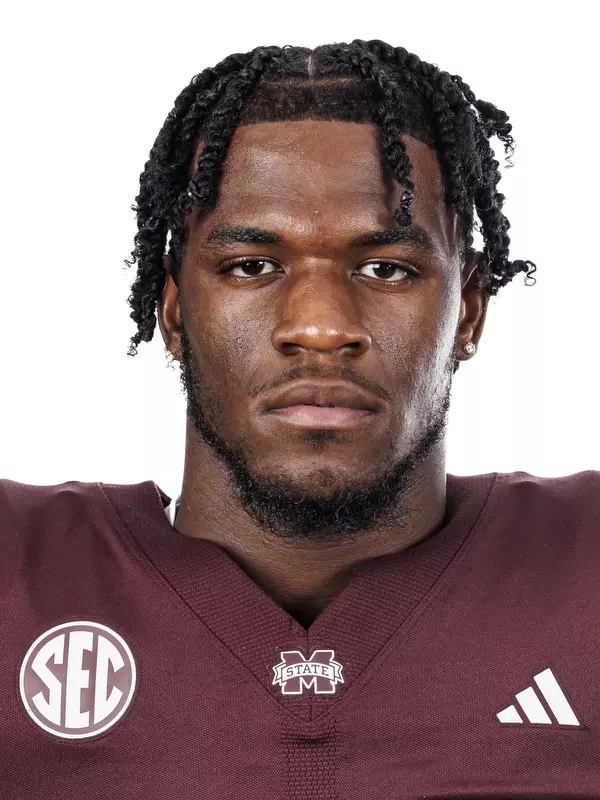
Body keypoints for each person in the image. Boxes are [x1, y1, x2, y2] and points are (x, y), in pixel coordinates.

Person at [1, 39, 597, 799]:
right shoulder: (17, 577)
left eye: (386, 268)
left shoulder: (585, 572)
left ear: (469, 311)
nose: (319, 327)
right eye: (253, 266)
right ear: (174, 310)